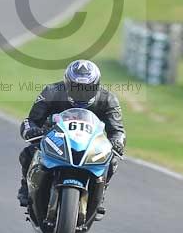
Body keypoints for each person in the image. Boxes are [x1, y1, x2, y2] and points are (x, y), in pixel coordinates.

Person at [17, 60, 126, 216]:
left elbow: (118, 130)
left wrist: (117, 143)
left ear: (96, 86)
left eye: (87, 88)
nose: (81, 92)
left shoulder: (108, 99)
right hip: (56, 139)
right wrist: (32, 131)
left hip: (90, 143)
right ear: (66, 83)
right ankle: (26, 187)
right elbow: (31, 120)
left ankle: (100, 195)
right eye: (76, 88)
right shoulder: (51, 91)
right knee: (29, 152)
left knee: (111, 160)